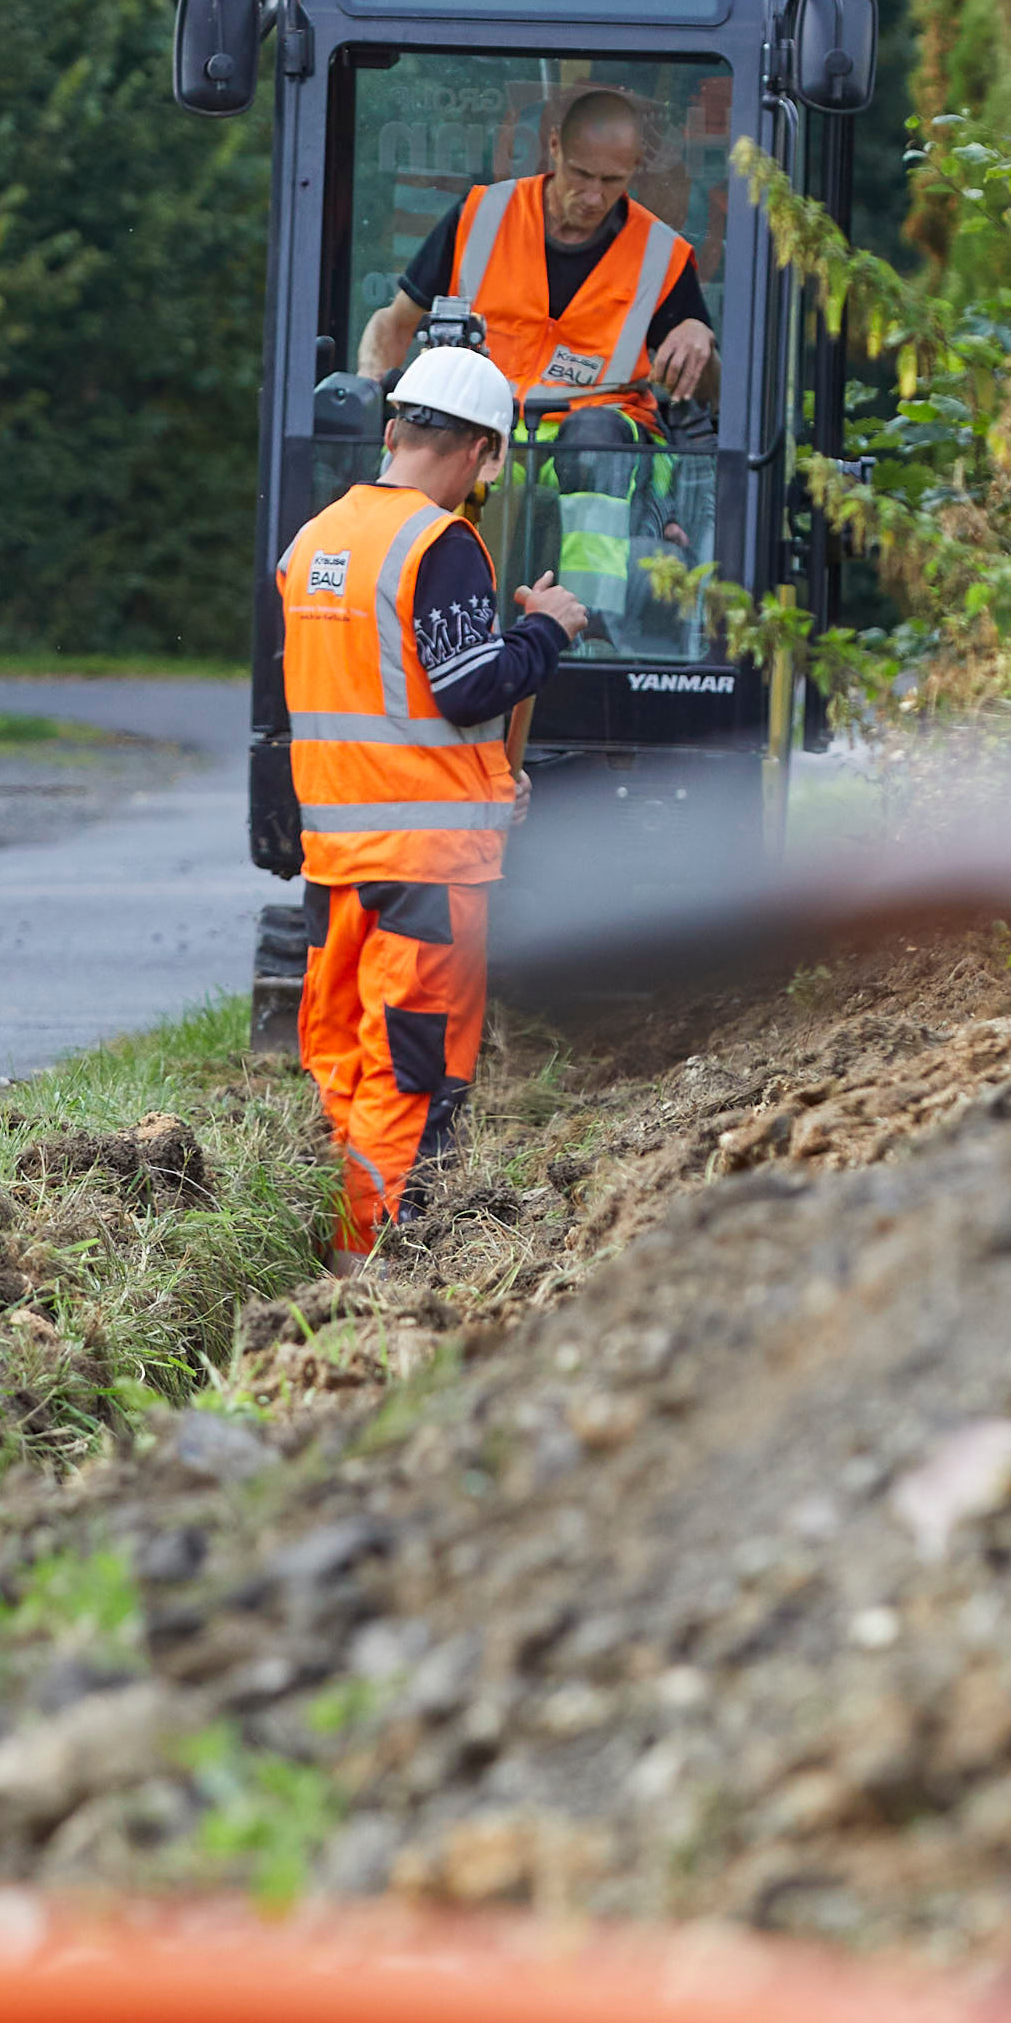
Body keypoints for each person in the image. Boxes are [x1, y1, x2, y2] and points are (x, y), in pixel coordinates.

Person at [262, 343, 580, 1259]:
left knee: (341, 1059)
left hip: (338, 865)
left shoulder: (313, 541)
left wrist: (481, 782)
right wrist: (544, 631)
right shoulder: (438, 545)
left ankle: (323, 1246)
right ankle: (379, 1269)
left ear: (395, 427)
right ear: (485, 454)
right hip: (427, 878)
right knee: (412, 1074)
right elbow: (468, 687)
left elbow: (375, 699)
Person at [352, 80, 717, 422]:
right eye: (581, 174)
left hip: (600, 441)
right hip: (477, 425)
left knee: (594, 437)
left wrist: (699, 334)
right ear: (554, 147)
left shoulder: (661, 254)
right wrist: (369, 391)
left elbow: (710, 393)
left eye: (611, 181)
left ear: (636, 165)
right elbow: (394, 324)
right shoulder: (482, 216)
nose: (593, 196)